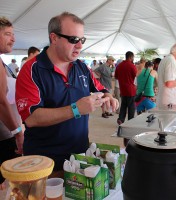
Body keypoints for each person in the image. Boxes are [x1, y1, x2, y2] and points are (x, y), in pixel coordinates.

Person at [15, 12, 118, 175]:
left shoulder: (82, 67)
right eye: (73, 40)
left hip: (80, 157)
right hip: (45, 163)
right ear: (54, 38)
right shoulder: (31, 70)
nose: (80, 46)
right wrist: (75, 109)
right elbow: (31, 118)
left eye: (82, 40)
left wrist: (108, 96)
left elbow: (100, 87)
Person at [0, 17, 24, 190]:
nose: (13, 39)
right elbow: (1, 101)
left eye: (13, 34)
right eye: (8, 34)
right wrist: (17, 132)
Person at [114, 51, 136, 125]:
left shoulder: (119, 66)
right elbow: (135, 76)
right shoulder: (132, 66)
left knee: (123, 105)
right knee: (131, 107)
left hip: (122, 89)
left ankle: (121, 119)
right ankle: (131, 121)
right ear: (131, 57)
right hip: (130, 90)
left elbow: (116, 76)